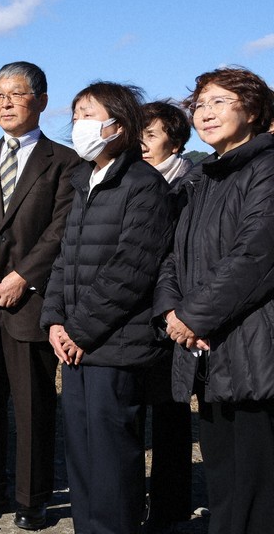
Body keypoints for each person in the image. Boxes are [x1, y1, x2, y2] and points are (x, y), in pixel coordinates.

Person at [0, 61, 80, 529]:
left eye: (16, 94)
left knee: (33, 405)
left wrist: (23, 276)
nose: (5, 102)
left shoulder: (65, 163)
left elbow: (62, 229)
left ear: (41, 101)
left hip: (31, 302)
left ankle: (32, 497)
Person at [40, 82, 173, 534]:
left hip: (115, 344)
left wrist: (78, 330)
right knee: (80, 451)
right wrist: (54, 321)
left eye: (89, 114)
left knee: (112, 454)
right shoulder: (85, 181)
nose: (79, 123)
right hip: (75, 344)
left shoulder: (143, 185)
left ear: (118, 124)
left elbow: (131, 270)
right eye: (76, 114)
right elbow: (65, 258)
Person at [154, 67, 274, 534]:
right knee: (223, 470)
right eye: (200, 103)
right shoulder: (203, 176)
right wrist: (170, 313)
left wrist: (193, 316)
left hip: (251, 344)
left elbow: (256, 255)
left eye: (220, 101)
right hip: (205, 346)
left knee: (255, 477)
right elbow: (171, 254)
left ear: (253, 109)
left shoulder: (265, 167)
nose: (206, 112)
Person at [140, 101, 194, 530]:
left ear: (175, 143)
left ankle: (170, 505)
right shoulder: (134, 182)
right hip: (133, 319)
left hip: (172, 318)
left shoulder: (190, 185)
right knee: (132, 412)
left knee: (172, 416)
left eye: (151, 135)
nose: (142, 143)